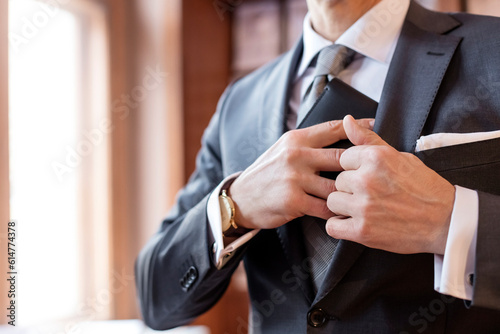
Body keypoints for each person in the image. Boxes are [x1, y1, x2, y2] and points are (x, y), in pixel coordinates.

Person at [135, 0, 500, 332]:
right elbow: (156, 300)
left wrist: (447, 221)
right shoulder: (239, 103)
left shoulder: (492, 50)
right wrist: (237, 204)